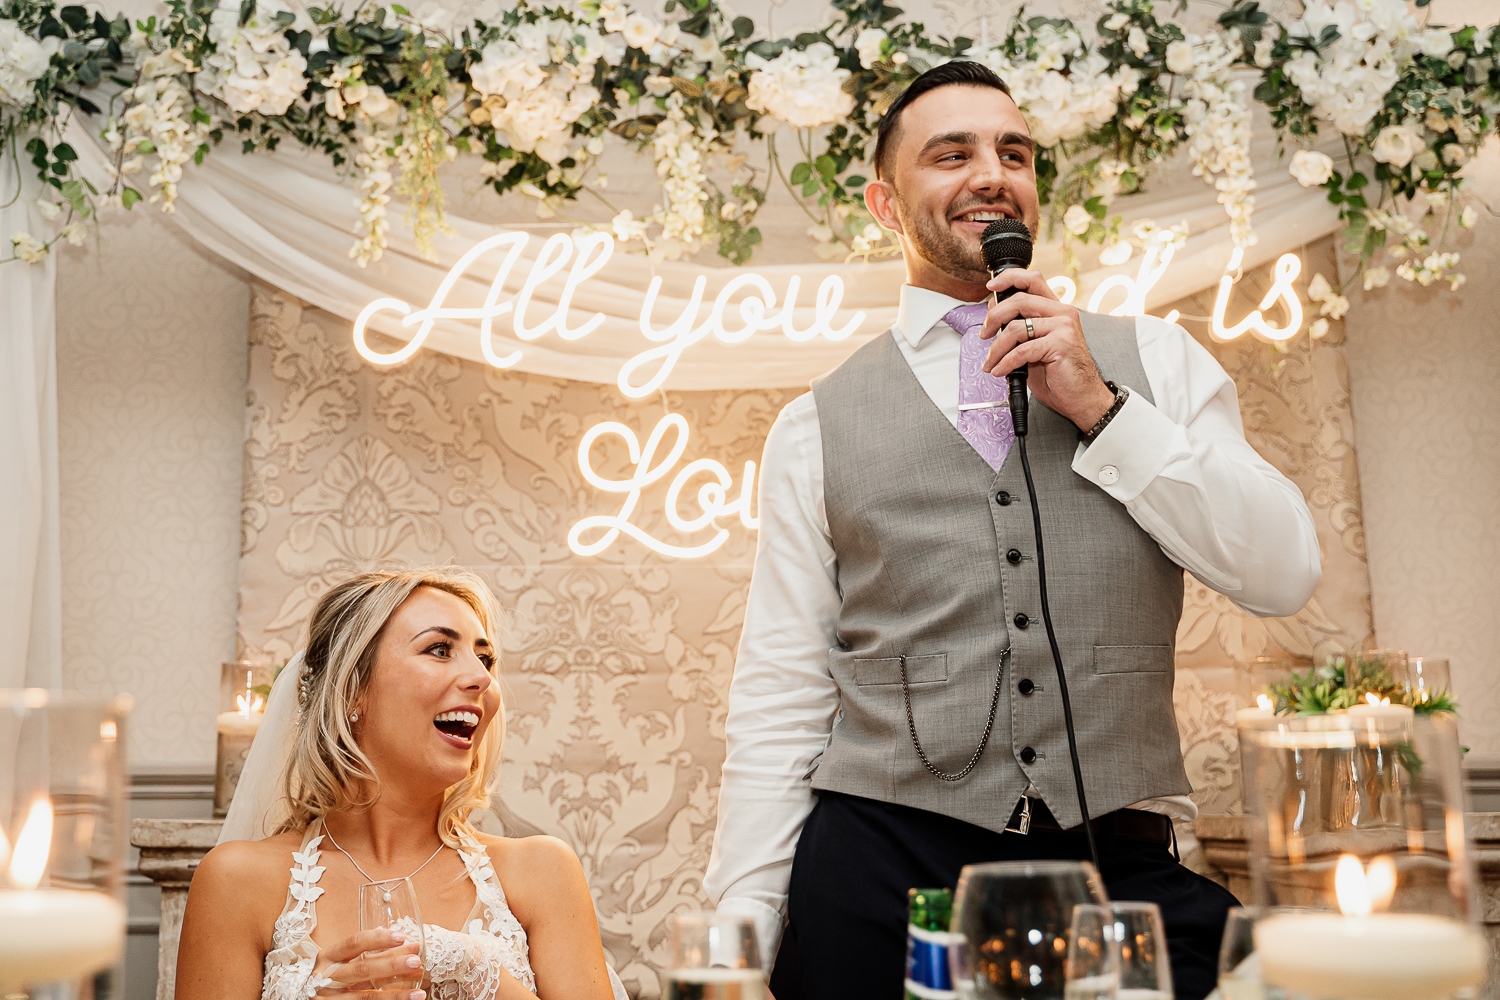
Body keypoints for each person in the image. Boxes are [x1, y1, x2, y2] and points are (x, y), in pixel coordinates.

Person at [703, 61, 1321, 1000]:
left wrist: (1107, 410)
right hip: (878, 868)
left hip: (1111, 866)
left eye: (1014, 152)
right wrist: (735, 952)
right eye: (951, 153)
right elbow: (781, 698)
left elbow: (1283, 571)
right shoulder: (813, 426)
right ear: (884, 202)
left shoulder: (1154, 360)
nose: (991, 172)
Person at [177, 569, 625, 1000]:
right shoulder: (236, 880)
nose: (483, 679)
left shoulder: (542, 871)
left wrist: (476, 970)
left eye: (485, 658)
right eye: (439, 650)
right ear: (353, 688)